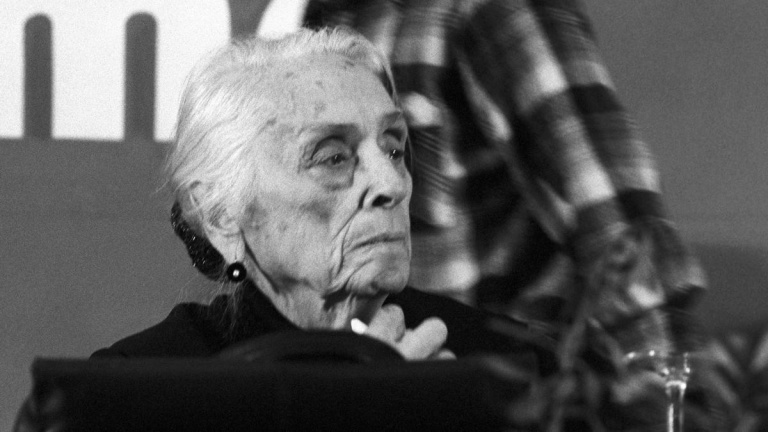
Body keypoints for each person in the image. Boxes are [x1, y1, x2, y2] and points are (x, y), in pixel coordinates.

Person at [225, 0, 706, 354]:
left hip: (495, 392)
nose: (391, 182)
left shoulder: (487, 10)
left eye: (397, 148)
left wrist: (668, 410)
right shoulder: (317, 21)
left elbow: (622, 240)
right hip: (338, 390)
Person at [90, 27, 549, 362]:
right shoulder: (136, 391)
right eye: (333, 158)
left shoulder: (513, 366)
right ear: (221, 216)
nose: (392, 184)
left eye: (393, 149)